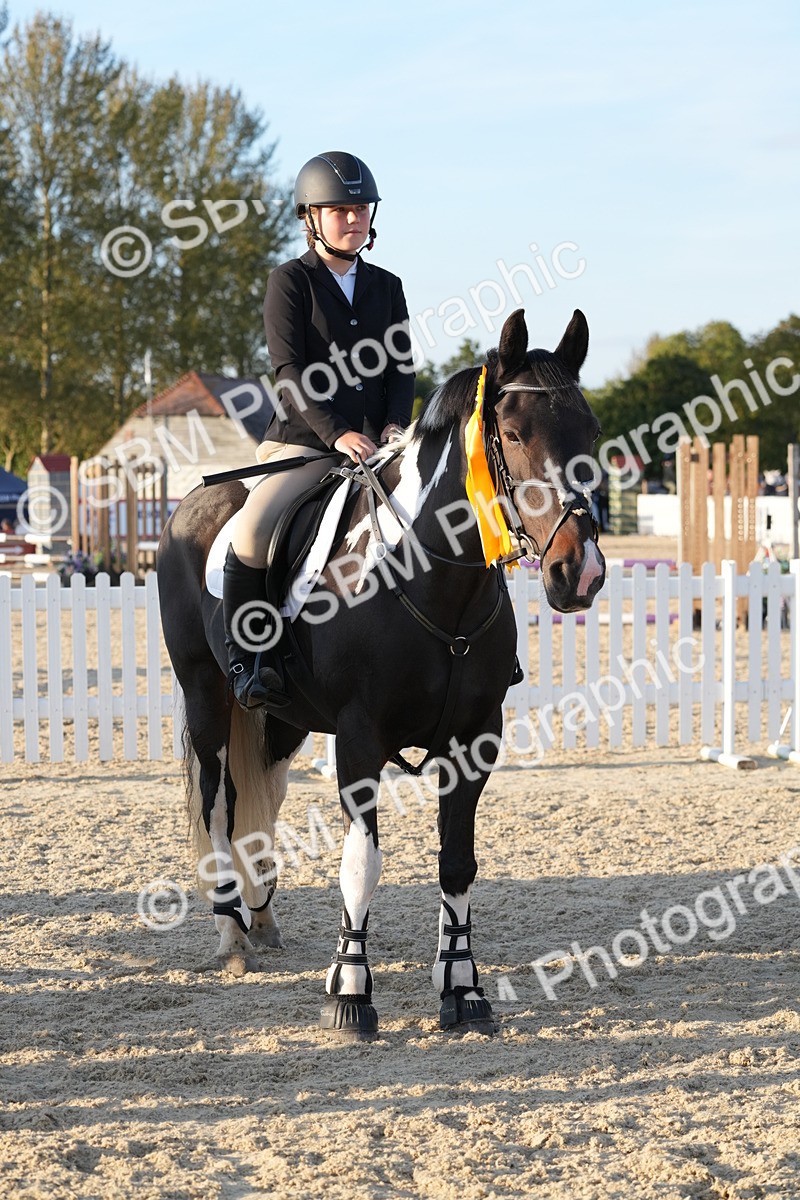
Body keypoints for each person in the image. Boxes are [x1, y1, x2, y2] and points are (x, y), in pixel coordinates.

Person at [223, 151, 415, 709]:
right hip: (304, 444)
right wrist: (336, 434)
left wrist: (394, 423)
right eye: (340, 211)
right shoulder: (289, 282)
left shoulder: (388, 286)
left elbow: (401, 368)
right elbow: (289, 372)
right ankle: (249, 659)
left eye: (361, 209)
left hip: (376, 446)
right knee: (252, 531)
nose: (353, 219)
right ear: (311, 218)